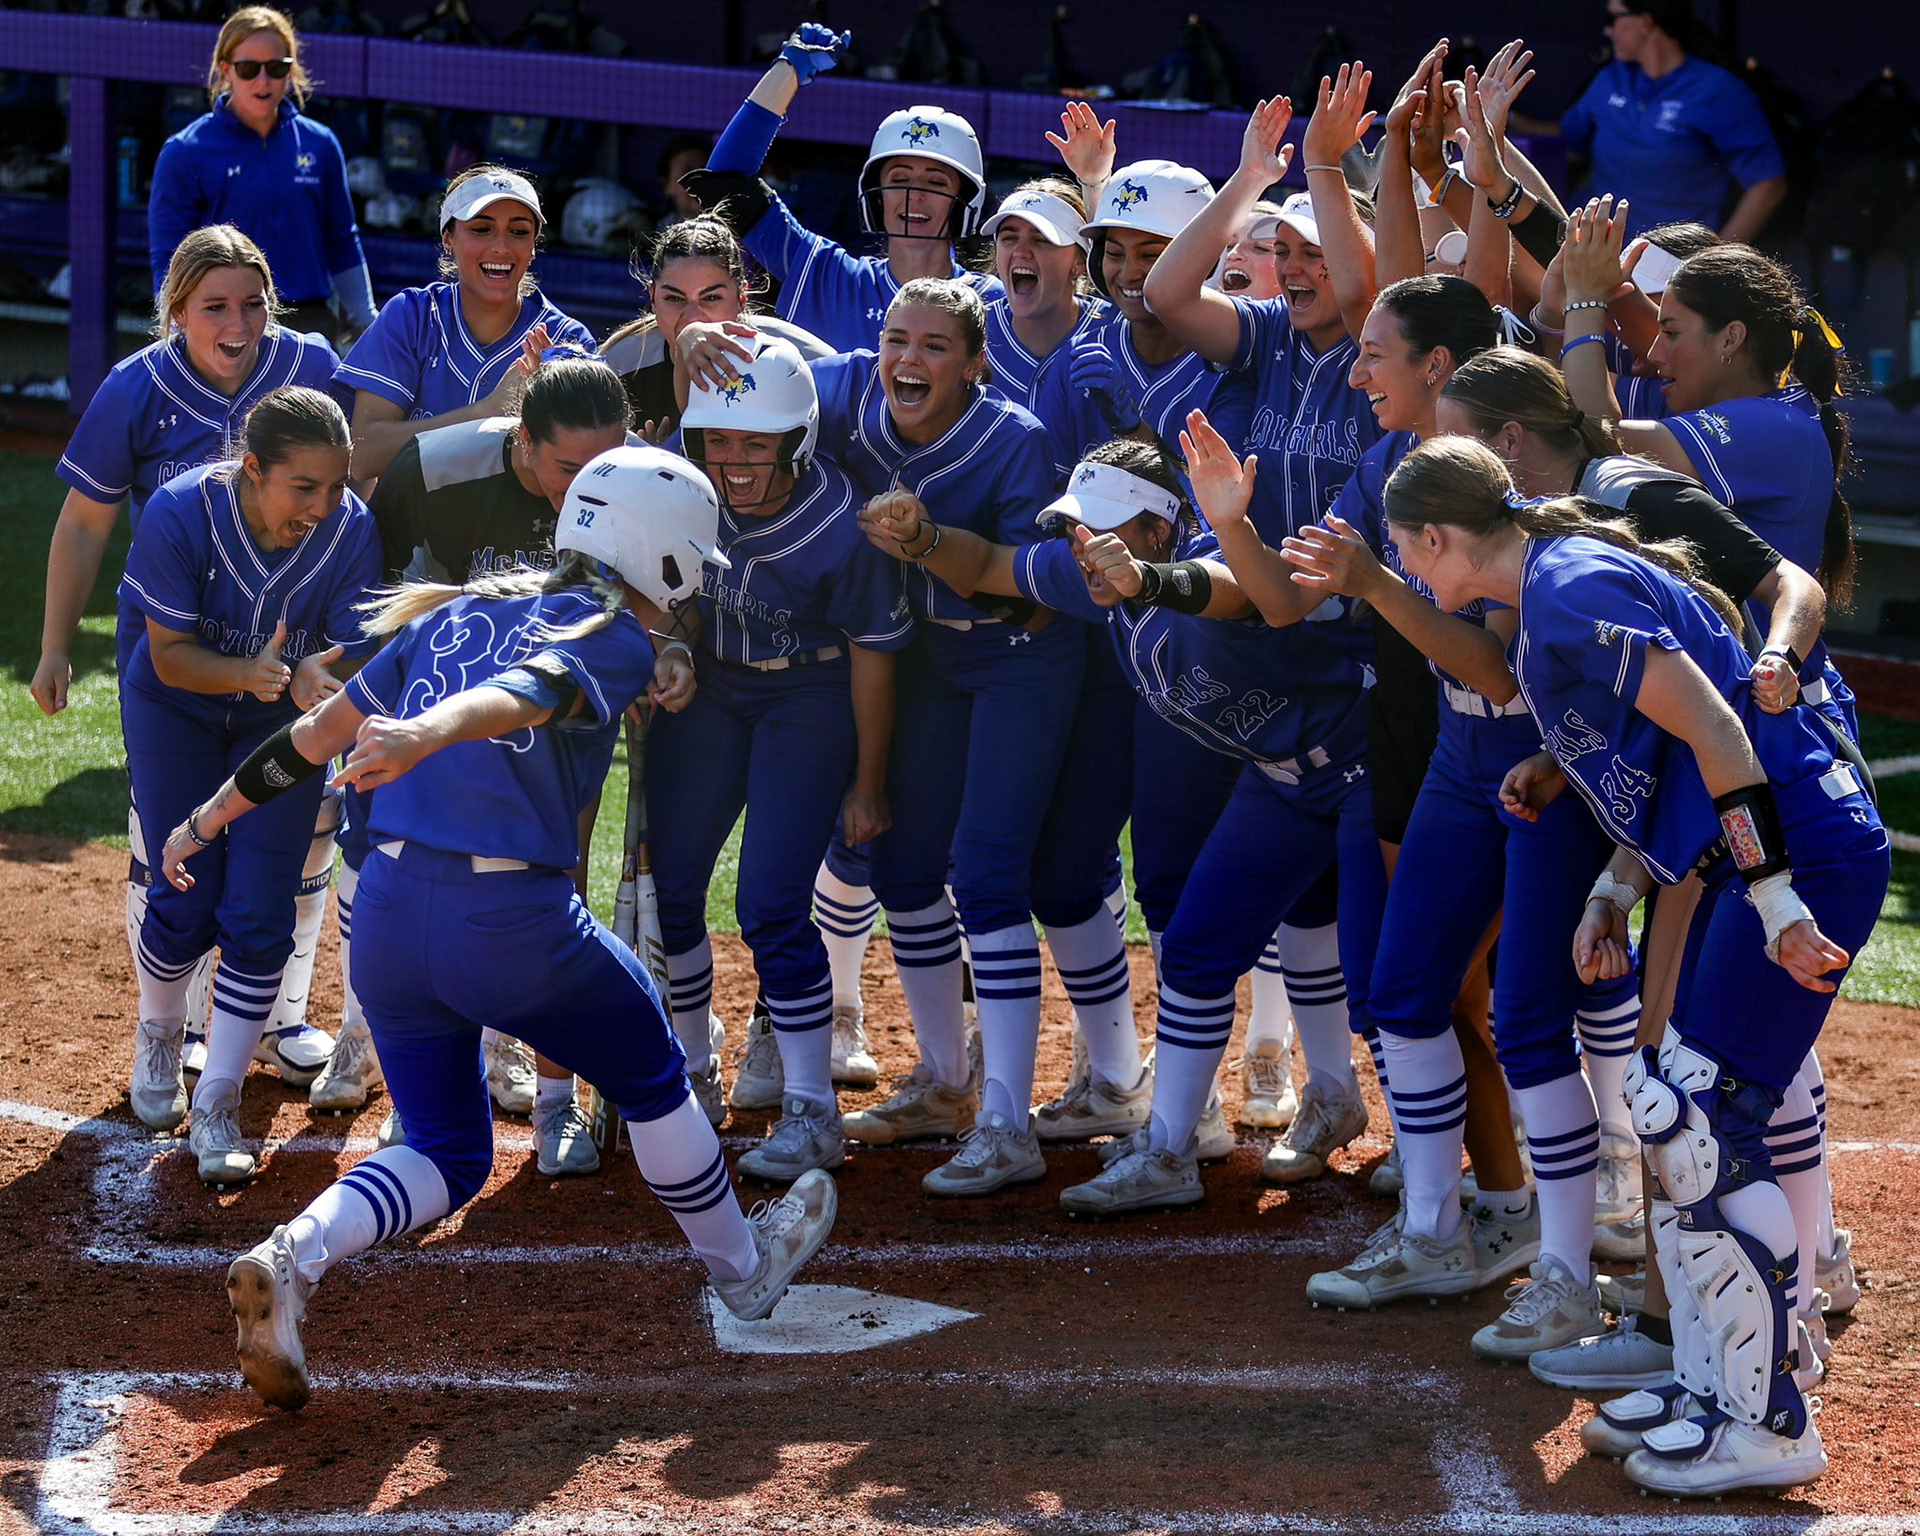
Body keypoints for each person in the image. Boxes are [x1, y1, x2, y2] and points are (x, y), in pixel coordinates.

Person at [158, 444, 838, 1412]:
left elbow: (308, 743)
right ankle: (744, 1265)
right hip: (511, 923)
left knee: (448, 1149)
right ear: (667, 559)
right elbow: (527, 694)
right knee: (650, 1072)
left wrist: (204, 819)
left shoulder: (457, 612)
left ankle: (294, 1257)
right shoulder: (614, 631)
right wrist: (430, 732)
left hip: (387, 920)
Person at [1383, 433, 1887, 1496]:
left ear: (1435, 536)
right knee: (1675, 1105)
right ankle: (1714, 1379)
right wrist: (1618, 885)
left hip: (1798, 853)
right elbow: (1665, 758)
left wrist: (1773, 894)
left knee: (1703, 1121)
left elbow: (1716, 727)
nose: (1410, 570)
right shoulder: (1557, 588)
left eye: (1406, 551)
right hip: (1759, 849)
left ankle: (1768, 1416)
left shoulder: (1565, 591)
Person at [860, 433, 1386, 1215]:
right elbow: (985, 566)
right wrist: (926, 538)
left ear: (1162, 529)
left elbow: (1227, 591)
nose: (1085, 544)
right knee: (1200, 946)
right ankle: (1171, 1149)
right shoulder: (1084, 574)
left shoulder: (1207, 562)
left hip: (1368, 776)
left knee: (1389, 983)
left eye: (1106, 529)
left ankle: (1437, 1169)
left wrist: (1145, 576)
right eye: (1078, 525)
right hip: (1281, 783)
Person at [35, 225, 349, 1126]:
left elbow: (371, 461)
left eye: (253, 302)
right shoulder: (137, 385)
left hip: (292, 656)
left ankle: (283, 1017)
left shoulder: (312, 365)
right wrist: (57, 645)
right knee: (179, 847)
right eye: (214, 306)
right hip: (175, 657)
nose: (238, 322)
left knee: (299, 837)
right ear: (177, 310)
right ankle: (164, 1030)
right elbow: (87, 521)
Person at [808, 278, 1080, 1197]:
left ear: (974, 362)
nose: (907, 360)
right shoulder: (854, 401)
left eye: (933, 346)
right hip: (925, 663)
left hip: (1018, 658)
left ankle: (1009, 1120)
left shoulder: (1017, 440)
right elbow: (778, 371)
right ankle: (946, 1084)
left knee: (990, 870)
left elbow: (1024, 598)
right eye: (896, 339)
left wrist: (931, 543)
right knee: (902, 864)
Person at [341, 351, 640, 1169]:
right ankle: (428, 1092)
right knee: (424, 879)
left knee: (556, 882)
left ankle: (555, 1103)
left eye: (604, 466)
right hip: (431, 719)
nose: (587, 488)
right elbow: (390, 615)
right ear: (521, 441)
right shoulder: (434, 474)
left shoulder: (635, 484)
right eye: (570, 467)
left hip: (560, 715)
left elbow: (653, 600)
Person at [650, 336, 911, 1180]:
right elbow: (659, 586)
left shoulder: (844, 525)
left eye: (757, 442)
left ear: (796, 439)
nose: (735, 460)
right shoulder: (682, 485)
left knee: (767, 901)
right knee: (672, 879)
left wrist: (867, 781)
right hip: (716, 685)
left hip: (809, 694)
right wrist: (674, 645)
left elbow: (874, 654)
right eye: (720, 441)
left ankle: (811, 1107)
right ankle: (690, 1065)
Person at [119, 387, 381, 1186]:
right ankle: (162, 1033)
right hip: (179, 711)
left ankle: (220, 1100)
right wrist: (257, 674)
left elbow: (352, 659)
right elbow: (169, 657)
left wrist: (310, 681)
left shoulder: (350, 531)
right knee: (183, 891)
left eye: (335, 485)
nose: (324, 504)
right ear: (251, 467)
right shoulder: (178, 511)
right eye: (304, 486)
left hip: (279, 725)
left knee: (261, 904)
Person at [1560, 214, 1859, 744]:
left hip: (1778, 715)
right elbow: (1564, 393)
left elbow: (1597, 437)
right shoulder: (1707, 399)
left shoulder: (1777, 425)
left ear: (1731, 340)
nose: (1652, 354)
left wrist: (1584, 303)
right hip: (1726, 703)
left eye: (1671, 333)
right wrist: (1500, 196)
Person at [685, 21, 1001, 355]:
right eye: (899, 179)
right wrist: (790, 68)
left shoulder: (994, 302)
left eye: (936, 182)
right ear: (875, 195)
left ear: (964, 200)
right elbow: (724, 182)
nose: (916, 194)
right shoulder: (832, 279)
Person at [336, 164, 595, 481]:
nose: (500, 247)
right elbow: (363, 456)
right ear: (448, 238)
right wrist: (485, 414)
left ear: (533, 247)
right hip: (406, 528)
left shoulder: (564, 338)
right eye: (481, 229)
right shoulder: (413, 315)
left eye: (518, 232)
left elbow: (579, 468)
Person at [147, 7, 376, 347]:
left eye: (276, 68)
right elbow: (169, 255)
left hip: (308, 323)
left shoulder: (321, 144)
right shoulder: (185, 151)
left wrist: (367, 324)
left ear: (292, 70)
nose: (263, 81)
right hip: (224, 327)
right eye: (249, 69)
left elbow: (342, 240)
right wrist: (178, 338)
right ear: (225, 70)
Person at [1558, 0, 1787, 240]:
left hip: (1670, 261)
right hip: (1594, 253)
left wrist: (1716, 260)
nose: (1607, 30)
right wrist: (1517, 124)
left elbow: (1768, 182)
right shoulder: (1610, 79)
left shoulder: (1717, 89)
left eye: (1613, 19)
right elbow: (1565, 146)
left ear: (1646, 21)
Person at [600, 216, 832, 441]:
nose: (693, 319)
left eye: (711, 298)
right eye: (674, 298)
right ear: (652, 297)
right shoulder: (617, 366)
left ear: (742, 297)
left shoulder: (799, 358)